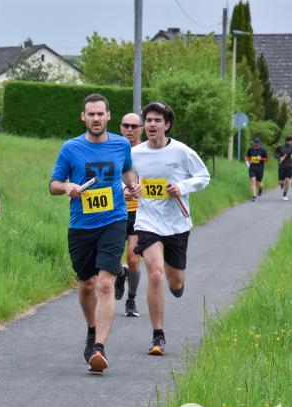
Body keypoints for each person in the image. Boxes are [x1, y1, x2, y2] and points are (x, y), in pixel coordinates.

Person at [49, 94, 136, 373]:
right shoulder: (70, 148)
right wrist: (67, 187)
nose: (96, 119)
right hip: (81, 226)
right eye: (91, 114)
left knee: (105, 285)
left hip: (114, 220)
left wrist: (132, 185)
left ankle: (99, 348)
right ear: (83, 117)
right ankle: (91, 329)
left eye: (101, 114)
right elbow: (53, 184)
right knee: (86, 284)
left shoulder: (122, 144)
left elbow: (127, 172)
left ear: (109, 116)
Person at [130, 102, 210, 356]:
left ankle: (177, 283)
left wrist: (182, 187)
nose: (151, 125)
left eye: (157, 121)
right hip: (147, 221)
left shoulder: (182, 152)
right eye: (148, 120)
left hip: (176, 223)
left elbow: (203, 177)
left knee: (174, 282)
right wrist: (132, 189)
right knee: (155, 274)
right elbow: (128, 182)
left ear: (167, 125)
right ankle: (158, 336)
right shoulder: (135, 154)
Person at [114, 112, 143, 317]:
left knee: (133, 259)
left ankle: (131, 300)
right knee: (112, 258)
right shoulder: (112, 150)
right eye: (126, 125)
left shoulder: (146, 152)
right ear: (120, 127)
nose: (130, 129)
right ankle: (119, 273)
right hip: (114, 212)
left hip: (138, 213)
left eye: (134, 126)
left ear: (141, 128)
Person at [274, 136, 292, 201]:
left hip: (290, 166)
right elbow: (275, 154)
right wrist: (279, 158)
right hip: (281, 166)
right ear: (287, 141)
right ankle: (281, 184)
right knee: (281, 182)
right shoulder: (280, 147)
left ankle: (285, 194)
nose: (291, 142)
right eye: (290, 141)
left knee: (287, 180)